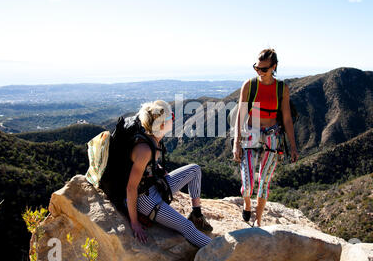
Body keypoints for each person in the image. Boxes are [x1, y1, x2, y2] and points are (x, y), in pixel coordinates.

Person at [126, 100, 213, 247]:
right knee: (187, 228)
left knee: (194, 169)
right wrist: (134, 223)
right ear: (160, 125)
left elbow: (146, 166)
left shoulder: (153, 139)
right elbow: (131, 188)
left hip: (154, 186)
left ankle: (196, 215)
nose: (173, 119)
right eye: (170, 117)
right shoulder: (145, 149)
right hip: (144, 199)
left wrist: (157, 169)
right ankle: (220, 251)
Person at [232, 48, 299, 227]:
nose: (259, 72)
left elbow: (286, 118)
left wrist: (293, 146)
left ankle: (259, 221)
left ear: (274, 67)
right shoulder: (249, 85)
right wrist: (236, 142)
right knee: (247, 184)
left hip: (272, 134)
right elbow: (241, 113)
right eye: (256, 68)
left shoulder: (281, 88)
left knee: (264, 181)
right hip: (250, 132)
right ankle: (247, 204)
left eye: (263, 69)